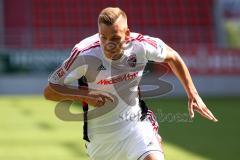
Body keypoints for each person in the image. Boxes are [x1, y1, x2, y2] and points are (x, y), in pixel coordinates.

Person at [44, 7, 218, 160]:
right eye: (103, 37)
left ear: (127, 34)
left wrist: (192, 93)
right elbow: (50, 91)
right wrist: (85, 95)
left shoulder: (141, 46)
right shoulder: (84, 54)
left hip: (136, 127)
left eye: (115, 37)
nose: (108, 44)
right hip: (100, 141)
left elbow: (173, 56)